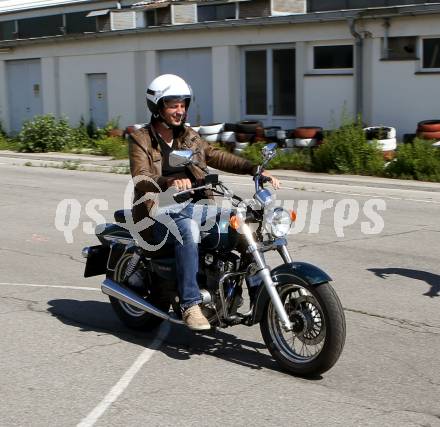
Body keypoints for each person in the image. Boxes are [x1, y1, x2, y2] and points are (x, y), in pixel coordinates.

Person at [128, 74, 280, 331]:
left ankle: (258, 294)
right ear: (158, 107)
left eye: (183, 104)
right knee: (187, 229)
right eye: (173, 105)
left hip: (196, 206)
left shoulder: (189, 136)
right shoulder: (141, 138)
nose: (180, 110)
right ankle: (190, 304)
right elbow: (140, 177)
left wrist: (255, 169)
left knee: (242, 225)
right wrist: (168, 182)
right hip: (157, 211)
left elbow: (217, 156)